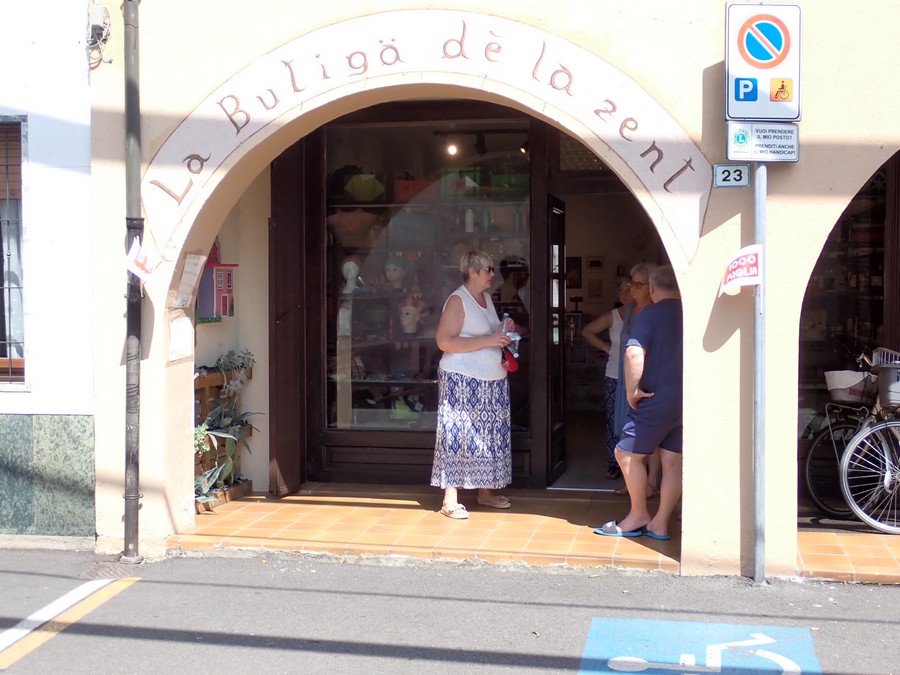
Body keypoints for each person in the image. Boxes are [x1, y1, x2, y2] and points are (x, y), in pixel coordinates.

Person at [595, 264, 682, 539]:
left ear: (652, 288)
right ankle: (660, 524)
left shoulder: (649, 314)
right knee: (673, 462)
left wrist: (632, 391)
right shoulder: (688, 312)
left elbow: (633, 353)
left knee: (625, 453)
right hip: (684, 400)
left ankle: (639, 514)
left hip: (656, 398)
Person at [431, 250, 517, 519]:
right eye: (488, 269)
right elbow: (444, 341)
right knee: (457, 435)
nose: (493, 274)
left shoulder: (486, 298)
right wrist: (489, 340)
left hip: (491, 381)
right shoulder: (458, 300)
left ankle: (485, 492)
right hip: (462, 380)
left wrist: (503, 329)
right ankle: (450, 499)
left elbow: (487, 332)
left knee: (486, 436)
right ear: (472, 271)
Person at [612, 263, 661, 497]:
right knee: (628, 433)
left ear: (651, 286)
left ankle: (651, 482)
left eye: (639, 284)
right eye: (632, 283)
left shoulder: (656, 311)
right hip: (626, 380)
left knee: (650, 434)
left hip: (647, 380)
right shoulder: (630, 310)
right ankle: (631, 482)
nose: (632, 288)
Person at [581, 277, 632, 480]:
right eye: (621, 290)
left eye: (629, 289)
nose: (625, 294)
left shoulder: (645, 314)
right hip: (614, 375)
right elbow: (587, 331)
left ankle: (637, 464)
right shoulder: (614, 316)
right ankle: (614, 462)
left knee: (636, 421)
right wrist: (605, 347)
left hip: (639, 376)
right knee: (613, 420)